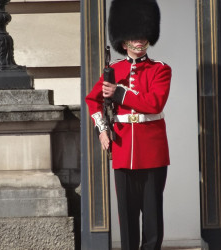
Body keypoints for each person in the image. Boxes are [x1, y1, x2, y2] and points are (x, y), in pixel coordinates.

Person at [85, 0, 172, 249]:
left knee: (152, 216)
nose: (140, 40)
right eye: (135, 36)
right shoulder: (113, 69)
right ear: (124, 41)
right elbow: (93, 101)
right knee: (127, 214)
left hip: (152, 151)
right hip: (123, 149)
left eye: (143, 35)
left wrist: (119, 93)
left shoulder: (160, 70)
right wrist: (102, 129)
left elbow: (154, 103)